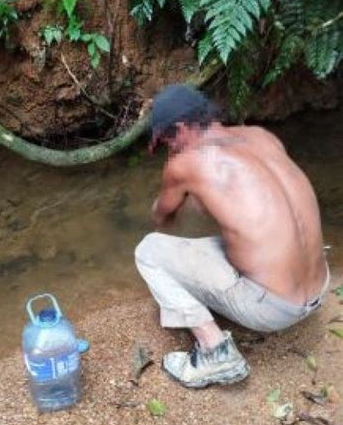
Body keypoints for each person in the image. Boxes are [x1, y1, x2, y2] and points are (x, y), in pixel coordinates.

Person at [135, 84, 329, 388]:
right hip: (319, 288)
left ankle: (215, 353)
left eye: (166, 139)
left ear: (182, 128)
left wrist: (177, 180)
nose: (167, 147)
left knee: (148, 251)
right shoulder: (261, 136)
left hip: (273, 310)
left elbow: (161, 216)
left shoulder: (185, 163)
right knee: (238, 237)